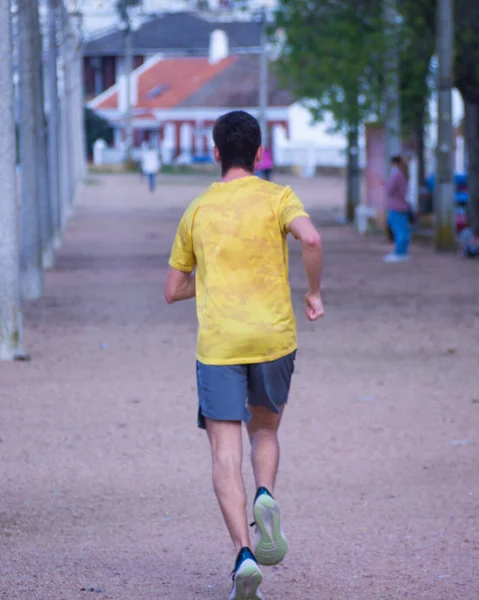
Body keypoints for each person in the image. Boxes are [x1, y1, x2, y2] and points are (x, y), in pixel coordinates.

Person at [164, 111, 324, 600]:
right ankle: (266, 496)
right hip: (274, 339)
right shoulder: (278, 197)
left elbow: (172, 290)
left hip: (219, 347)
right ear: (260, 154)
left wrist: (210, 278)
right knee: (266, 430)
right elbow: (311, 238)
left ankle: (243, 555)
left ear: (215, 153)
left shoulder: (197, 210)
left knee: (223, 453)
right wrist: (314, 293)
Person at [384, 155, 410, 263]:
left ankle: (399, 253)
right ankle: (402, 252)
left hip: (395, 207)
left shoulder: (396, 175)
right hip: (402, 206)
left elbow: (389, 190)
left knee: (398, 231)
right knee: (403, 231)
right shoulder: (404, 175)